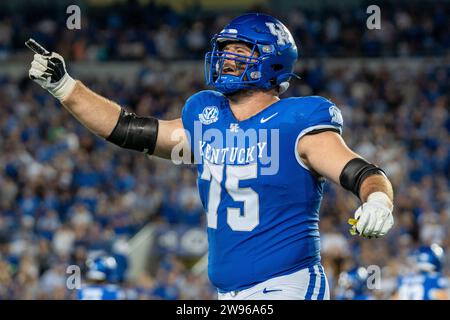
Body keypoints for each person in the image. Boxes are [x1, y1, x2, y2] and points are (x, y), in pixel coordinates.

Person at [26, 13, 394, 300]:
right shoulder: (207, 116)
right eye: (226, 50)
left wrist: (377, 199)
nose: (228, 59)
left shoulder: (297, 122)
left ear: (273, 61)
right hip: (225, 292)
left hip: (288, 285)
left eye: (241, 50)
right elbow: (128, 130)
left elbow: (362, 173)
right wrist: (65, 87)